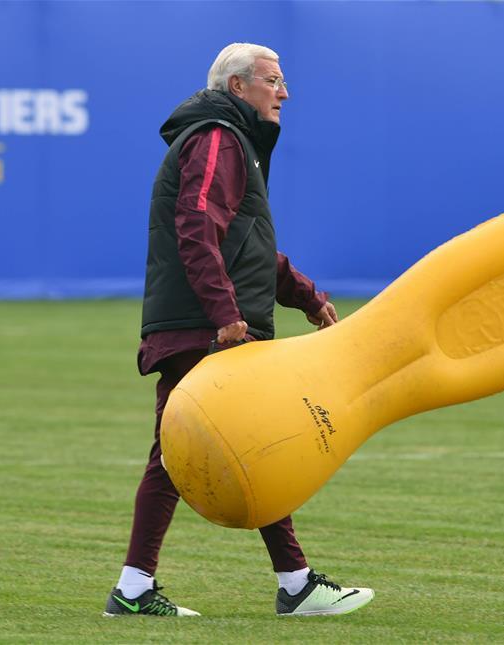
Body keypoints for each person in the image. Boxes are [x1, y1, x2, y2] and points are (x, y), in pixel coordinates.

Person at [103, 43, 374, 618]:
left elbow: (247, 246)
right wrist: (227, 315)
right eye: (273, 81)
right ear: (236, 88)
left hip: (201, 324)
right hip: (206, 328)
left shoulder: (232, 142)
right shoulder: (218, 139)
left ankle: (139, 588)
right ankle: (293, 584)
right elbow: (197, 225)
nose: (284, 93)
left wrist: (306, 297)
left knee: (197, 453)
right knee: (243, 443)